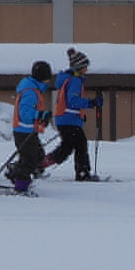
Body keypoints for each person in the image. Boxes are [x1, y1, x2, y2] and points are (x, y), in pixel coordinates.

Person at [45, 48, 103, 180]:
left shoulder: (67, 79)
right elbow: (73, 100)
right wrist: (91, 103)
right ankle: (82, 173)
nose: (87, 69)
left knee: (70, 146)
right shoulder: (75, 81)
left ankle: (41, 165)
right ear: (79, 67)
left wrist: (80, 114)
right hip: (68, 119)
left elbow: (69, 102)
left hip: (66, 118)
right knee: (75, 146)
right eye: (85, 66)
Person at [4, 60, 55, 193]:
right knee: (30, 159)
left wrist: (41, 117)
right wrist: (40, 114)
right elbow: (25, 113)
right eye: (47, 78)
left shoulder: (33, 89)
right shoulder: (31, 92)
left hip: (27, 130)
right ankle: (21, 186)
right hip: (23, 130)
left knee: (37, 155)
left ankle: (14, 172)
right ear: (43, 78)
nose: (49, 81)